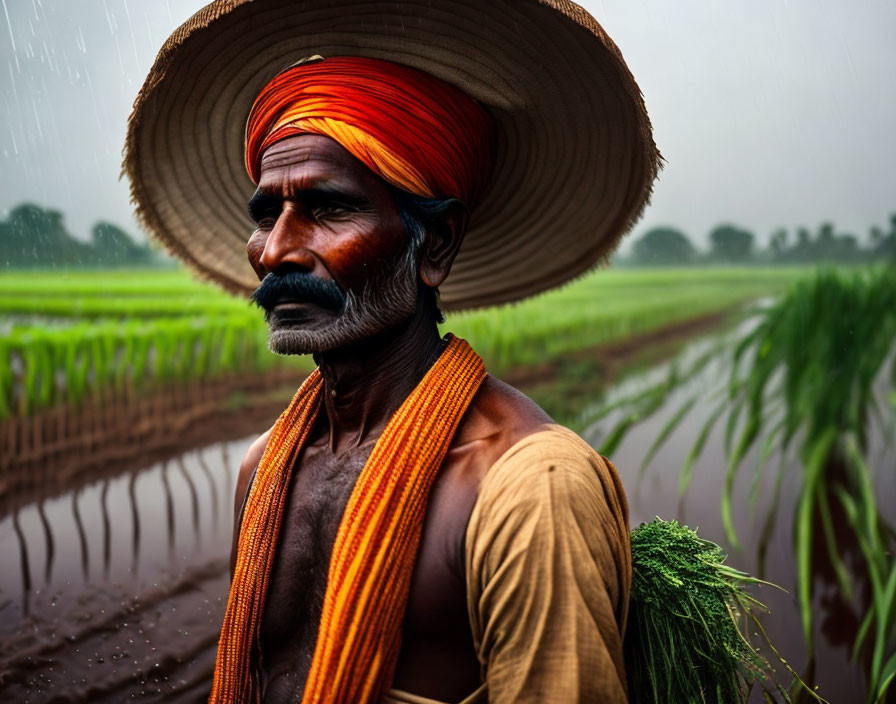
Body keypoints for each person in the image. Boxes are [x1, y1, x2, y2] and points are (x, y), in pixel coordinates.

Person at [125, 1, 660, 702]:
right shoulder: (267, 467)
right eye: (266, 213)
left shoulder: (530, 489)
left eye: (327, 207)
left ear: (433, 246)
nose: (275, 250)